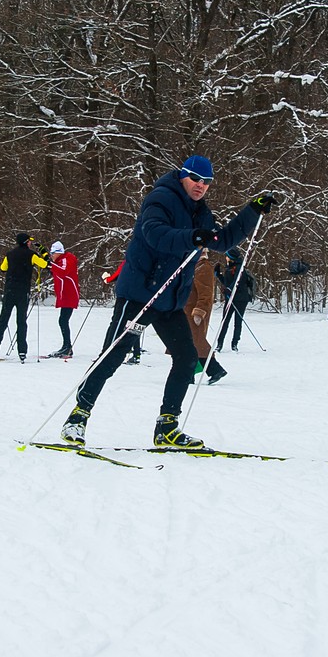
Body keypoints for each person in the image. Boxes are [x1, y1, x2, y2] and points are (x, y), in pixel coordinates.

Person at [60, 154, 277, 448]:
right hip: (140, 295)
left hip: (170, 300)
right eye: (196, 179)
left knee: (187, 359)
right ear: (183, 176)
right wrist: (192, 237)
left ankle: (167, 427)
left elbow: (221, 241)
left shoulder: (201, 212)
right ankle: (77, 417)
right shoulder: (161, 197)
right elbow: (155, 234)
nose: (201, 185)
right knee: (113, 354)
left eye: (207, 182)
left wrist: (252, 211)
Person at [0, 233, 49, 362]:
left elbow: (3, 268)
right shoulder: (31, 255)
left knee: (3, 320)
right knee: (21, 321)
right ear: (26, 242)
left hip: (9, 290)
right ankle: (22, 351)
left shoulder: (10, 254)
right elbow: (45, 264)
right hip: (23, 291)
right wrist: (42, 251)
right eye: (29, 241)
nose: (31, 243)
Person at [181, 256, 227, 383]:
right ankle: (213, 370)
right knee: (190, 344)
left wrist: (199, 311)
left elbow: (206, 293)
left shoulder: (203, 267)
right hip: (185, 311)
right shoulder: (191, 266)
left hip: (194, 313)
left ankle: (207, 371)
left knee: (195, 343)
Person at [102, 261, 143, 364]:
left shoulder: (130, 259)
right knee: (133, 324)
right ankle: (136, 354)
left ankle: (105, 354)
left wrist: (106, 278)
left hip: (126, 296)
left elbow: (117, 275)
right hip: (139, 296)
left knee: (116, 323)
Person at [215, 248, 255, 351]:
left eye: (227, 256)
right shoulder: (229, 268)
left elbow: (238, 282)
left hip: (241, 299)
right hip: (230, 299)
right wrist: (219, 275)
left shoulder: (240, 268)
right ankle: (219, 344)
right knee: (225, 321)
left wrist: (229, 289)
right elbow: (227, 282)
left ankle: (234, 344)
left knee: (237, 322)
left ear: (231, 257)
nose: (226, 258)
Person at [45, 241, 80, 358]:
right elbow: (58, 272)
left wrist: (51, 264)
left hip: (69, 294)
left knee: (63, 320)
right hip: (65, 294)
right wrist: (50, 267)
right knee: (63, 320)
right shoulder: (61, 261)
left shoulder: (66, 259)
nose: (51, 256)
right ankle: (66, 346)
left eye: (53, 253)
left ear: (58, 252)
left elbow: (64, 271)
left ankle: (67, 347)